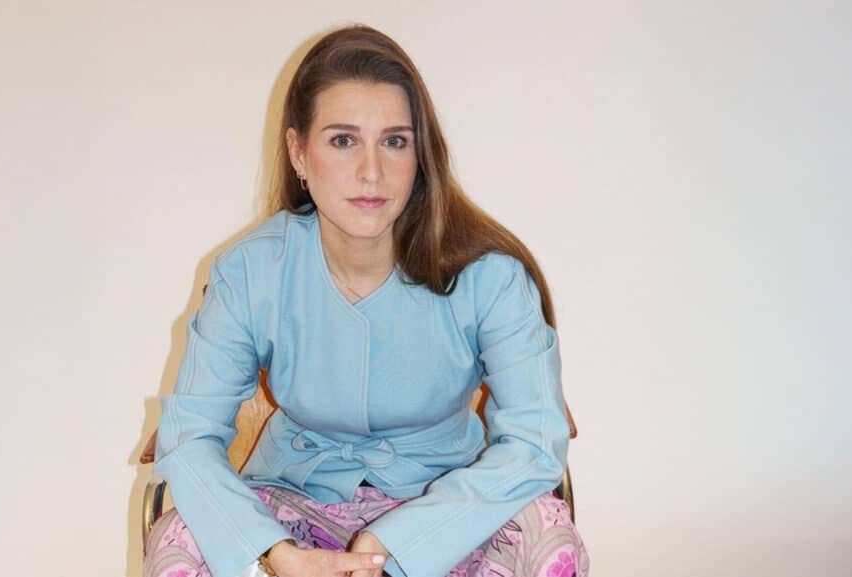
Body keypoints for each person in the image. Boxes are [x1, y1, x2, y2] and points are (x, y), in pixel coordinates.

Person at [145, 25, 588, 577]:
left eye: (395, 141)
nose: (371, 172)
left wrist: (397, 543)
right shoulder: (249, 272)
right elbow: (190, 437)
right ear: (298, 151)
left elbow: (536, 441)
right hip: (291, 510)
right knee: (179, 539)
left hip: (450, 507)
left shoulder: (491, 276)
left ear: (421, 155)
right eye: (343, 140)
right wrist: (275, 555)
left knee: (549, 536)